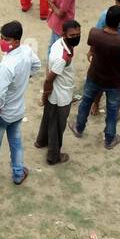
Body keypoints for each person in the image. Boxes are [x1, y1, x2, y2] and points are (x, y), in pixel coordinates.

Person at [0, 20, 40, 185]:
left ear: (17, 41)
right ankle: (18, 173)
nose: (3, 42)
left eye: (7, 39)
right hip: (17, 111)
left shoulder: (7, 66)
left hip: (0, 114)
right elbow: (37, 65)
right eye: (2, 38)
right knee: (16, 142)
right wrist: (24, 79)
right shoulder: (26, 51)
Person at [71, 5, 120, 149]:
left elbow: (91, 50)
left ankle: (79, 128)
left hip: (94, 76)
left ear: (106, 19)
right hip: (114, 81)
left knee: (86, 102)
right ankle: (109, 139)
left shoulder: (94, 33)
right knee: (112, 110)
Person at [36, 18, 81, 165]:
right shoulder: (63, 57)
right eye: (72, 35)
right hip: (60, 96)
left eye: (78, 34)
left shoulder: (58, 44)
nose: (76, 38)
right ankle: (53, 156)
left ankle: (41, 141)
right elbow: (49, 79)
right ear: (64, 34)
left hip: (57, 93)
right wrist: (44, 95)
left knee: (48, 119)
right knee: (57, 126)